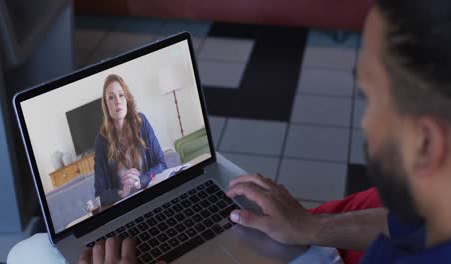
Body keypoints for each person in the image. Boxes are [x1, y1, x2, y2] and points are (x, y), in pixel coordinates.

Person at [83, 0, 451, 262]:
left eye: (370, 99)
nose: (365, 122)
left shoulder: (143, 122)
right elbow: (408, 226)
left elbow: (159, 163)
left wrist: (143, 177)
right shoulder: (436, 212)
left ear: (426, 144)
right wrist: (311, 228)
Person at [94, 74, 167, 206]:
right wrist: (121, 192)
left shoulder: (141, 122)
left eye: (121, 95)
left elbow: (161, 164)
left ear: (126, 98)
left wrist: (141, 181)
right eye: (111, 97)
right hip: (126, 206)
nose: (117, 101)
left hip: (152, 198)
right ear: (106, 105)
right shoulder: (101, 140)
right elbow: (99, 195)